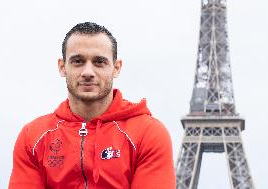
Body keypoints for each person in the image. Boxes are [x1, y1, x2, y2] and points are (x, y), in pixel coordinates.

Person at [9, 22, 176, 189]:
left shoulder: (148, 133)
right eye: (78, 61)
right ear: (62, 67)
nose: (88, 72)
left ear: (116, 68)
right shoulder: (32, 136)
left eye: (99, 62)